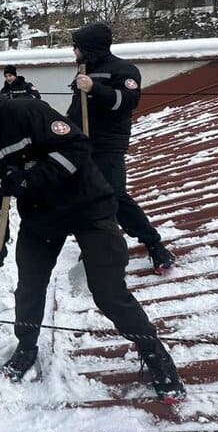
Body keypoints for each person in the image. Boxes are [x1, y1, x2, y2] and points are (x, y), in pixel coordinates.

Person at [0, 94, 185, 403]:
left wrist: (26, 180)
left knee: (108, 292)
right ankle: (26, 346)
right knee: (29, 288)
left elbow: (76, 147)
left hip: (87, 205)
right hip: (42, 218)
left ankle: (155, 354)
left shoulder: (22, 111)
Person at [67, 23, 175, 274]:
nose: (73, 52)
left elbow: (128, 102)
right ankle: (96, 244)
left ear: (90, 48)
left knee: (115, 195)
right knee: (88, 197)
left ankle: (155, 245)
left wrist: (95, 88)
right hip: (84, 143)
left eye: (77, 47)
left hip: (108, 144)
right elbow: (76, 110)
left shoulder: (124, 70)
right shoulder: (85, 71)